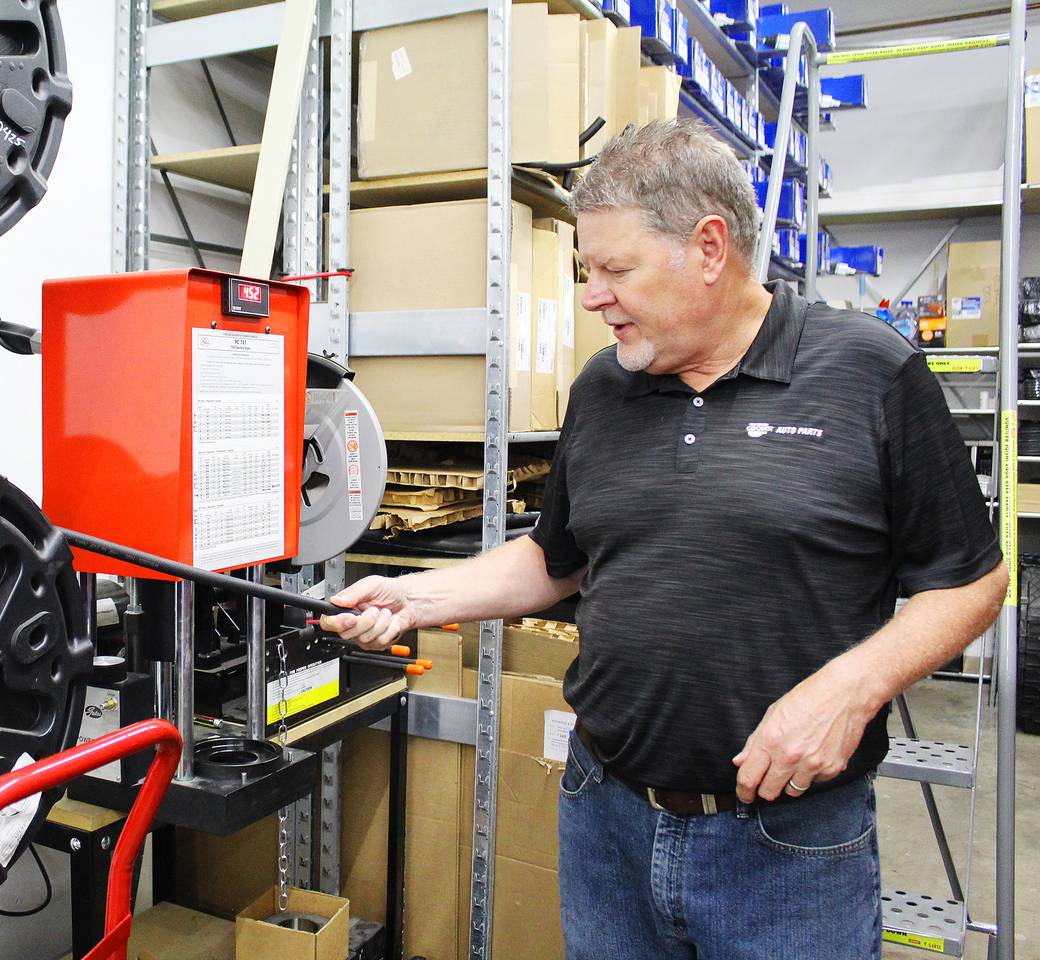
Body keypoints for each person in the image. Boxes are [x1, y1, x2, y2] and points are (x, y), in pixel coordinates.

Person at [319, 119, 1007, 959]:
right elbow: (555, 559)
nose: (592, 297)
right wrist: (412, 597)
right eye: (587, 271)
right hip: (604, 817)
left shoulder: (869, 372)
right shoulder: (605, 388)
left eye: (616, 270)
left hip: (788, 849)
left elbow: (972, 581)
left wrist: (851, 691)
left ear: (709, 248)